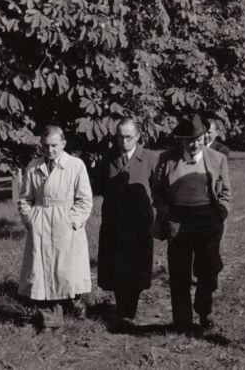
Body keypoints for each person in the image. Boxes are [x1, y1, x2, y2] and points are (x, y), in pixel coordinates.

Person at [152, 114, 231, 333]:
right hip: (178, 220)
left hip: (207, 219)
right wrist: (167, 212)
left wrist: (220, 215)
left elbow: (225, 192)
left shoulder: (217, 159)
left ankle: (204, 310)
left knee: (208, 271)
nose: (194, 144)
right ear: (181, 140)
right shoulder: (167, 159)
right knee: (179, 273)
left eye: (198, 139)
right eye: (189, 140)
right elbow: (157, 191)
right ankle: (182, 321)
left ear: (204, 137)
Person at [18, 125, 94, 331]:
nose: (50, 150)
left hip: (65, 224)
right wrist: (30, 219)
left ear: (63, 144)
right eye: (45, 146)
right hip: (41, 223)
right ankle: (50, 320)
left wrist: (73, 222)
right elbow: (25, 199)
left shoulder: (76, 166)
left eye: (54, 146)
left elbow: (85, 200)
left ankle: (76, 304)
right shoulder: (33, 167)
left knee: (66, 272)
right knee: (42, 273)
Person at [97, 118, 159, 330]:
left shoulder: (150, 158)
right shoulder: (108, 158)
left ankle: (128, 310)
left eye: (128, 137)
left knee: (136, 267)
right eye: (119, 137)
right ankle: (121, 308)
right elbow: (102, 187)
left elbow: (158, 190)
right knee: (115, 267)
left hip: (139, 224)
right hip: (114, 223)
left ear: (138, 136)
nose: (123, 141)